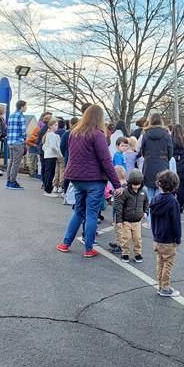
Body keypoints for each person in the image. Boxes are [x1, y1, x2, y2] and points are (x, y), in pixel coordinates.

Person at [56, 105, 121, 257]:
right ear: (99, 118)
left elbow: (70, 155)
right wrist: (117, 184)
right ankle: (88, 249)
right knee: (91, 214)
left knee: (78, 211)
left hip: (76, 178)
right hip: (94, 180)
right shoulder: (98, 135)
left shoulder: (74, 133)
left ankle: (65, 243)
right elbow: (105, 160)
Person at [150, 169, 182, 297]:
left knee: (160, 263)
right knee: (168, 264)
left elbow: (152, 220)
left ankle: (160, 284)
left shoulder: (155, 199)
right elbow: (176, 223)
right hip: (168, 239)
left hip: (157, 238)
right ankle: (165, 287)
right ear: (175, 186)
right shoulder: (173, 202)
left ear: (159, 184)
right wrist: (178, 238)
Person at [138, 113, 173, 203]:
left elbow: (143, 151)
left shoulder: (146, 134)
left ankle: (150, 216)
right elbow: (170, 151)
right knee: (160, 195)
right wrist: (165, 159)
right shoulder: (166, 135)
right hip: (162, 166)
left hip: (149, 166)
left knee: (149, 197)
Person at [115, 168, 148, 263]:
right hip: (126, 221)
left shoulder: (144, 192)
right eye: (134, 185)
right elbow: (119, 207)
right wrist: (119, 221)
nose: (136, 187)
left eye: (138, 185)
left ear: (141, 183)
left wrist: (146, 212)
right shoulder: (125, 192)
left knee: (138, 239)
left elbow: (146, 204)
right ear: (130, 183)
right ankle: (125, 253)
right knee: (125, 238)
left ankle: (138, 254)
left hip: (137, 221)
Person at [6, 100, 27, 190]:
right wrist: (25, 138)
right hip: (18, 142)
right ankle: (13, 181)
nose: (26, 108)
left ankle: (9, 180)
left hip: (10, 141)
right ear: (21, 107)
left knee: (11, 162)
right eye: (25, 106)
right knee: (16, 163)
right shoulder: (21, 116)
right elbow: (23, 131)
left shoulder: (12, 115)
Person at [171, 124, 184, 214]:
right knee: (181, 187)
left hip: (173, 166)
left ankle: (171, 204)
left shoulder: (171, 140)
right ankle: (180, 205)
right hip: (183, 167)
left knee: (171, 186)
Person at [42, 119, 63, 197]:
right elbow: (54, 147)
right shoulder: (52, 135)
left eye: (57, 125)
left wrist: (47, 152)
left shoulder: (48, 134)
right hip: (52, 156)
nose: (56, 127)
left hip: (48, 156)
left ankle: (47, 190)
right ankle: (48, 191)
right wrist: (59, 154)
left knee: (48, 173)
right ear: (50, 126)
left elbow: (44, 147)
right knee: (50, 173)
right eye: (55, 125)